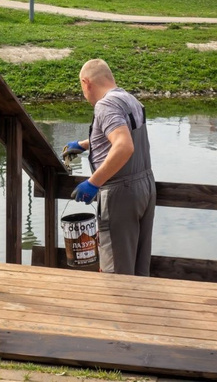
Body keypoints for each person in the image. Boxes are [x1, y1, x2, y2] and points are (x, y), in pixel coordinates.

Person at [63, 59, 156, 276]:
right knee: (139, 268)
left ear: (86, 83)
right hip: (145, 188)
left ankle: (120, 310)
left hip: (120, 193)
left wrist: (93, 182)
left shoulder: (105, 105)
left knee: (116, 272)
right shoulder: (129, 99)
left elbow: (124, 146)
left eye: (81, 88)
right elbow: (118, 135)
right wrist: (85, 145)